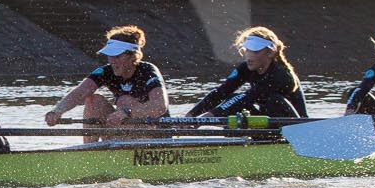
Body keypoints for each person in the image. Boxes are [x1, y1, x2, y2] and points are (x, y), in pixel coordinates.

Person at [43, 26, 171, 130]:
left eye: (117, 56)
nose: (112, 61)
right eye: (110, 56)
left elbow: (160, 106)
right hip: (126, 130)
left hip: (155, 132)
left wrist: (127, 112)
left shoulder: (148, 71)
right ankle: (90, 153)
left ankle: (125, 145)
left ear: (133, 56)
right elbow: (80, 92)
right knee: (93, 100)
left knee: (124, 101)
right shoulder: (106, 71)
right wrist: (57, 111)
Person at [188, 27, 308, 121]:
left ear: (270, 53)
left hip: (297, 129)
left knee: (273, 100)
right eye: (247, 50)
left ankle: (271, 142)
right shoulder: (246, 68)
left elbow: (248, 97)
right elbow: (220, 92)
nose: (249, 56)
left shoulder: (281, 75)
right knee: (231, 100)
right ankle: (241, 142)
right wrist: (190, 116)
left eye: (255, 51)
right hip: (270, 121)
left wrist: (207, 117)